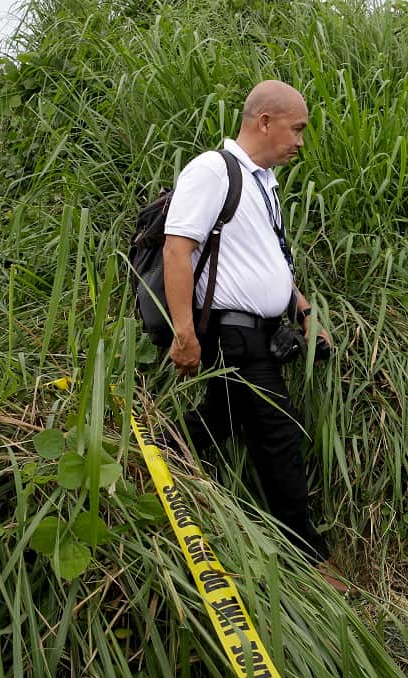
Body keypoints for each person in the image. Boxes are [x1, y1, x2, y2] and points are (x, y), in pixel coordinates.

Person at [162, 80, 348, 593]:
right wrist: (184, 333)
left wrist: (305, 310)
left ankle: (155, 457)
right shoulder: (211, 171)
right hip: (233, 334)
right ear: (264, 121)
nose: (301, 142)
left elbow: (268, 261)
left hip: (262, 332)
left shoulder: (262, 182)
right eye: (298, 129)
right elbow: (177, 249)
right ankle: (309, 560)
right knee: (279, 438)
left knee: (217, 422)